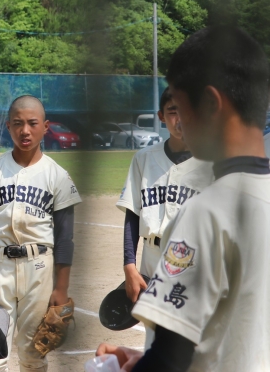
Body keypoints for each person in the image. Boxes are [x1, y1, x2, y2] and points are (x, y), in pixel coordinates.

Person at [97, 26, 270, 371]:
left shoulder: (207, 212)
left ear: (210, 105)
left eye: (181, 106)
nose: (177, 122)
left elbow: (168, 360)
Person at [0, 95, 81, 372]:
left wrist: (61, 288)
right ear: (8, 126)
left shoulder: (57, 175)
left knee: (33, 354)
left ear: (46, 126)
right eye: (18, 124)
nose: (25, 131)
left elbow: (65, 237)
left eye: (32, 123)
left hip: (39, 269)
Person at [116, 88, 213, 347]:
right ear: (161, 116)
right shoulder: (144, 159)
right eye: (173, 112)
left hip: (194, 262)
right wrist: (129, 266)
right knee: (155, 341)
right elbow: (133, 214)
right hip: (152, 260)